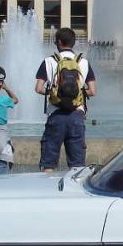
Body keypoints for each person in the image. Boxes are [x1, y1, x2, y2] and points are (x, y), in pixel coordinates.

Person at [34, 28, 96, 171]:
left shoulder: (49, 61)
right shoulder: (83, 62)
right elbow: (92, 91)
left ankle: (47, 189)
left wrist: (53, 93)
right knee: (77, 166)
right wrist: (78, 93)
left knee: (48, 164)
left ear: (59, 42)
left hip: (56, 115)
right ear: (73, 43)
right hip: (77, 116)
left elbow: (38, 88)